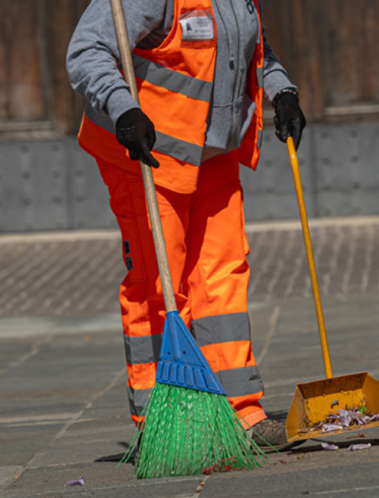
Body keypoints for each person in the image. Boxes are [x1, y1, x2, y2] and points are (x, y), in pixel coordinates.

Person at [67, 0, 306, 449]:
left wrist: (281, 89)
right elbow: (86, 52)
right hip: (147, 155)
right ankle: (158, 423)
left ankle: (242, 412)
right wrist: (123, 109)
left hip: (212, 154)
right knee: (158, 286)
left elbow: (251, 49)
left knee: (223, 280)